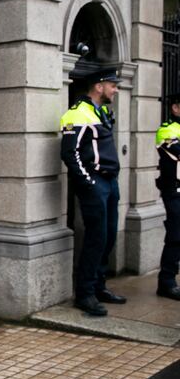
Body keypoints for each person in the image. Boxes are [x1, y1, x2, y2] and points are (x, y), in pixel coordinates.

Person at [60, 68, 127, 316]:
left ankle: (99, 286)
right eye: (113, 85)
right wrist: (90, 183)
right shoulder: (77, 114)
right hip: (96, 184)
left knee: (108, 236)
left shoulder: (103, 112)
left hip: (110, 183)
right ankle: (85, 293)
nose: (116, 89)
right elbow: (69, 153)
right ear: (99, 86)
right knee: (96, 238)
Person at [155, 93, 180, 300]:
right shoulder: (167, 129)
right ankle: (166, 282)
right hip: (174, 192)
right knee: (175, 236)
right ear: (175, 108)